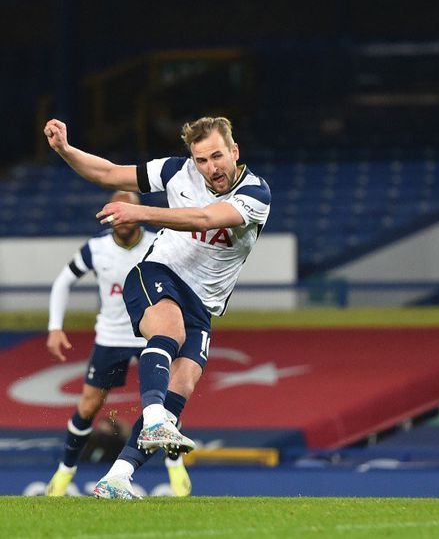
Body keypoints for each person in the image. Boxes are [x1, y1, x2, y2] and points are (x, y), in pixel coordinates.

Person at [44, 116, 271, 499]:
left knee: (179, 390)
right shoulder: (175, 171)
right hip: (157, 273)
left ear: (234, 152)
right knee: (170, 333)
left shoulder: (256, 194)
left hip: (204, 303)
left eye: (217, 156)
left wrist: (141, 212)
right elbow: (110, 174)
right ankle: (151, 421)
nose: (210, 167)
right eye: (201, 160)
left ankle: (117, 477)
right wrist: (66, 151)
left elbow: (205, 217)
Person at [44, 191, 192, 498]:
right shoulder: (96, 248)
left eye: (125, 211)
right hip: (111, 336)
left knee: (167, 398)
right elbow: (63, 280)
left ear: (138, 213)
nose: (119, 219)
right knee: (88, 405)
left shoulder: (157, 243)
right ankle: (64, 473)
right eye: (112, 213)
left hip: (151, 333)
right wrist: (55, 327)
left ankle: (175, 466)